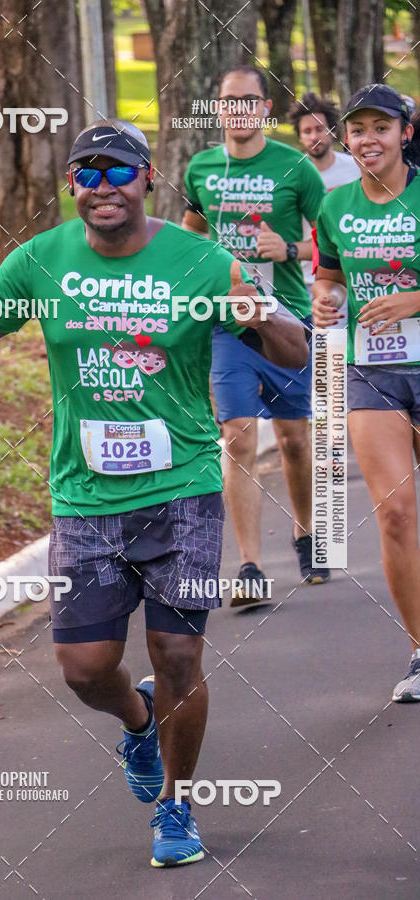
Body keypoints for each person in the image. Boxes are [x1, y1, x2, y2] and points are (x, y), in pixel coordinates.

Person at [0, 119, 309, 865]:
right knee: (85, 668)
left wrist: (258, 311)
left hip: (186, 489)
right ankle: (137, 724)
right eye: (89, 173)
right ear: (72, 186)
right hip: (86, 496)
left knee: (178, 653)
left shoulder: (200, 261)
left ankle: (176, 806)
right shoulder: (43, 260)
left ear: (145, 180)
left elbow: (294, 352)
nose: (104, 186)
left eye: (119, 171)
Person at [182, 65, 329, 605]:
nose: (237, 110)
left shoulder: (296, 168)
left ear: (265, 108)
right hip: (226, 326)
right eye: (227, 101)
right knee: (239, 438)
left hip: (286, 321)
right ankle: (247, 566)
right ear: (218, 107)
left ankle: (308, 531)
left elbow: (333, 244)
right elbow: (189, 237)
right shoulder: (200, 168)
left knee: (293, 440)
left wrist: (287, 250)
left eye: (248, 100)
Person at [312, 83, 420, 702]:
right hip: (371, 370)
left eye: (381, 127)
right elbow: (329, 276)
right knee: (397, 513)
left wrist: (413, 299)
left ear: (405, 133)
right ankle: (419, 648)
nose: (368, 139)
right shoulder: (336, 206)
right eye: (357, 130)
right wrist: (327, 302)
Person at [289, 92, 360, 297]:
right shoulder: (292, 176)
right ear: (300, 137)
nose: (314, 137)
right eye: (307, 131)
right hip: (305, 280)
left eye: (320, 129)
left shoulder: (356, 167)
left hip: (351, 277)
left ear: (331, 130)